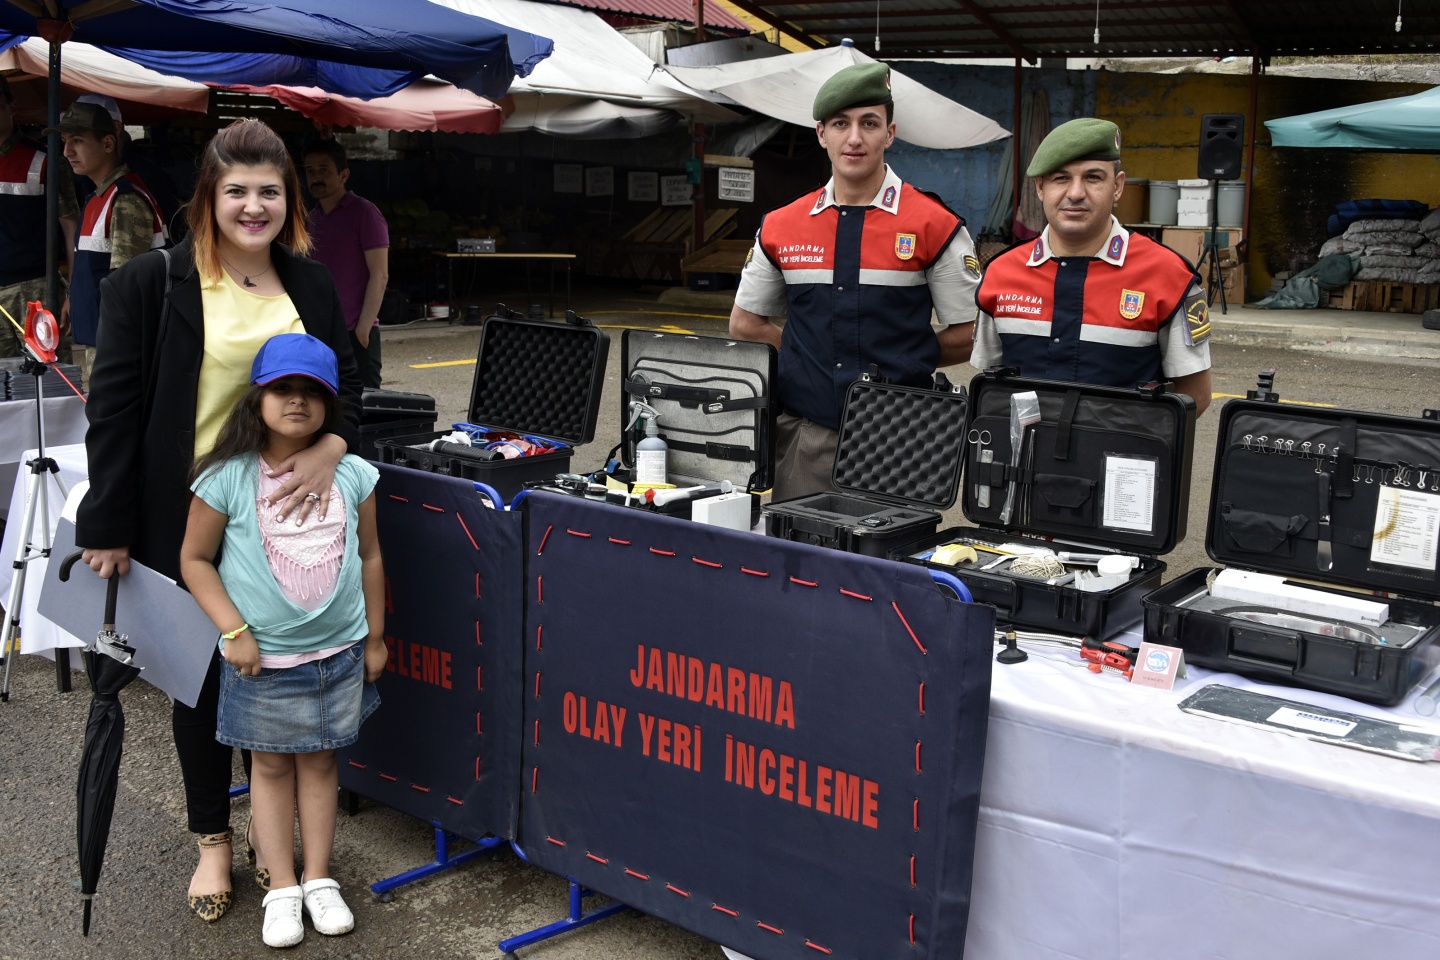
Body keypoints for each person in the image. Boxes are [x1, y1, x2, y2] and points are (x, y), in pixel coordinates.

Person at [76, 118, 363, 924]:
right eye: (236, 189)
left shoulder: (308, 286)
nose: (253, 205)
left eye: (269, 190)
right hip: (189, 518)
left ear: (289, 200)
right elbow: (115, 410)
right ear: (208, 196)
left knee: (280, 679)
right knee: (203, 685)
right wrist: (108, 522)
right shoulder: (152, 283)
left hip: (292, 527)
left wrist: (331, 446)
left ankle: (286, 857)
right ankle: (211, 837)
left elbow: (358, 386)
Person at [180, 333, 383, 948]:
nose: (297, 401)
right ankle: (281, 887)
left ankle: (320, 879)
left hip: (340, 653)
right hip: (262, 662)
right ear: (257, 399)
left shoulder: (353, 474)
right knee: (268, 768)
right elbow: (194, 559)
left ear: (329, 404)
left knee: (322, 763)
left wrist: (376, 637)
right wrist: (233, 631)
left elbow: (371, 556)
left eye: (312, 392)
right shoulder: (227, 477)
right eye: (283, 389)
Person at [729, 62, 980, 500]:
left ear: (890, 133)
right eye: (840, 124)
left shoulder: (934, 225)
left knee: (891, 563)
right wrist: (811, 358)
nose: (855, 138)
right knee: (804, 564)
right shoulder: (781, 226)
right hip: (808, 438)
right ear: (821, 134)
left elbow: (970, 333)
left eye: (869, 123)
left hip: (903, 435)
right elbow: (745, 324)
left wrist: (905, 360)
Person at [971, 117, 1213, 414]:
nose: (1075, 193)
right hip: (1022, 459)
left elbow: (1194, 397)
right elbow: (989, 385)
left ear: (1118, 187)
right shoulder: (1001, 272)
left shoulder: (1170, 276)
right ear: (1040, 188)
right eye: (1061, 178)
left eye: (1093, 178)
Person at [49, 99, 169, 384]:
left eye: (77, 140)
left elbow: (129, 289)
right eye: (65, 141)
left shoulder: (124, 199)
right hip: (97, 341)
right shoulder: (99, 196)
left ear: (108, 143)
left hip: (115, 350)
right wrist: (73, 297)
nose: (67, 151)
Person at [0, 76, 77, 359]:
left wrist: (74, 291)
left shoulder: (46, 160)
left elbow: (71, 227)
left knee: (48, 380)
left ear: (12, 106)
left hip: (34, 291)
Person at [304, 140, 389, 389]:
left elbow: (380, 275)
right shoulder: (312, 219)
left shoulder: (364, 213)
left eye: (324, 170)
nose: (316, 177)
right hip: (321, 332)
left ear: (343, 175)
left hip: (356, 333)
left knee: (366, 409)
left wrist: (363, 328)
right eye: (310, 171)